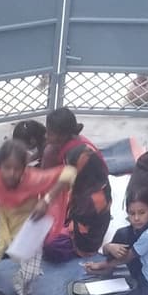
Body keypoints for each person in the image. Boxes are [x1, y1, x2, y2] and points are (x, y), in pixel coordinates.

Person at [0, 138, 76, 295]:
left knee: (29, 275)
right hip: (4, 224)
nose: (11, 174)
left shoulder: (33, 179)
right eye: (7, 168)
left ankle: (20, 289)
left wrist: (46, 200)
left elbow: (69, 172)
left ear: (24, 169)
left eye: (17, 169)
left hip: (30, 227)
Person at [38, 107, 113, 262]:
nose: (46, 136)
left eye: (50, 133)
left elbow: (64, 183)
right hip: (82, 197)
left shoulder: (76, 154)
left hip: (91, 211)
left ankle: (74, 243)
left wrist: (46, 202)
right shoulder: (74, 144)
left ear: (62, 135)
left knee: (51, 246)